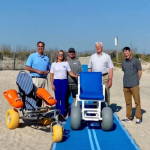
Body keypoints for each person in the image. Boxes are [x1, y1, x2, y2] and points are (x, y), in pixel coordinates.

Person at [50, 50, 78, 118]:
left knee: (63, 98)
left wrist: (75, 75)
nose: (60, 56)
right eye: (59, 54)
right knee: (57, 99)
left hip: (64, 82)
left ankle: (62, 114)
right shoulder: (54, 64)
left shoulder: (66, 63)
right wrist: (52, 84)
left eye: (62, 55)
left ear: (63, 56)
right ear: (57, 55)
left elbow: (70, 72)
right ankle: (58, 113)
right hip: (56, 82)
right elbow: (51, 75)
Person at [25, 41, 50, 107]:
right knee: (35, 96)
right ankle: (34, 110)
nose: (40, 48)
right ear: (37, 47)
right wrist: (37, 71)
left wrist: (47, 71)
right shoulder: (32, 56)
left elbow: (49, 68)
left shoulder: (46, 58)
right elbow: (27, 67)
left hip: (44, 79)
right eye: (39, 46)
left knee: (43, 97)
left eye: (42, 46)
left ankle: (40, 111)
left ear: (44, 48)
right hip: (35, 79)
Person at [121, 47, 142, 124]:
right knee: (128, 102)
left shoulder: (136, 61)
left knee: (137, 102)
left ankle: (138, 118)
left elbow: (140, 71)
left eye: (127, 52)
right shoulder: (123, 62)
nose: (126, 54)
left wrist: (136, 81)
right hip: (126, 85)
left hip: (134, 85)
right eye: (124, 53)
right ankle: (129, 117)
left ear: (130, 52)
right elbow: (124, 71)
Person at [66, 47, 83, 118]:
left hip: (75, 83)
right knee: (66, 98)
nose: (71, 53)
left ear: (74, 53)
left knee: (75, 98)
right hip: (67, 83)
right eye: (70, 52)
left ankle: (76, 113)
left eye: (73, 52)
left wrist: (79, 73)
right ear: (68, 53)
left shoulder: (78, 61)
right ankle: (66, 112)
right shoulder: (65, 60)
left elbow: (80, 70)